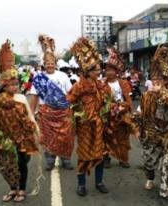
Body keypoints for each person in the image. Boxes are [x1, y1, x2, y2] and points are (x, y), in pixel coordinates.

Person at [0, 41, 39, 202]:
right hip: (4, 139)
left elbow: (30, 117)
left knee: (22, 163)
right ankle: (13, 188)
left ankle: (22, 189)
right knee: (7, 165)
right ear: (4, 85)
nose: (15, 86)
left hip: (22, 137)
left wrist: (37, 132)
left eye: (16, 83)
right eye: (12, 84)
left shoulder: (22, 98)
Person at [138, 46, 168, 198]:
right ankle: (150, 178)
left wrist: (162, 94)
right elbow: (141, 114)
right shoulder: (146, 96)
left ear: (166, 80)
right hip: (152, 134)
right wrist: (137, 128)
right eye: (154, 79)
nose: (157, 82)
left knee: (167, 162)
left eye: (160, 79)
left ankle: (165, 187)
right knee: (149, 162)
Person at [67, 37, 112, 196]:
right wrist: (79, 114)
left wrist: (108, 109)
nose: (99, 72)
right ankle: (81, 184)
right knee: (84, 155)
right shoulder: (78, 86)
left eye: (100, 69)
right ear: (87, 71)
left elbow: (108, 101)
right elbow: (70, 102)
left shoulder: (101, 86)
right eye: (96, 70)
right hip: (85, 127)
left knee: (100, 154)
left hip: (99, 126)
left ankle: (99, 182)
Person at [29, 35, 74, 171]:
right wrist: (31, 114)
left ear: (55, 63)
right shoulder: (39, 78)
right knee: (48, 138)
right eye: (47, 63)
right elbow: (34, 97)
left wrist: (72, 109)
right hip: (46, 112)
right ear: (44, 64)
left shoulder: (63, 76)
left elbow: (70, 93)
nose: (50, 65)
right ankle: (50, 160)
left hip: (63, 112)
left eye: (52, 62)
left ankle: (66, 159)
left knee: (65, 136)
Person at [102, 46, 138, 169]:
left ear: (116, 71)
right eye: (107, 70)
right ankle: (106, 157)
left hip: (122, 115)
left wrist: (128, 109)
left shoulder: (123, 83)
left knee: (123, 138)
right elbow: (101, 101)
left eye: (112, 70)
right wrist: (111, 106)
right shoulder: (102, 84)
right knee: (107, 137)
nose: (109, 72)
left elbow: (128, 98)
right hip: (107, 115)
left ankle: (123, 159)